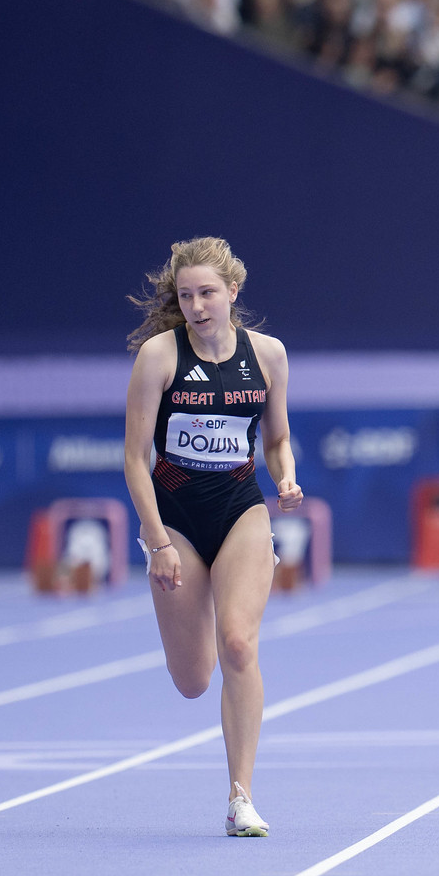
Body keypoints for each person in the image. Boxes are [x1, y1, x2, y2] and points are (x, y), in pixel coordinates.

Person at [121, 237, 301, 837]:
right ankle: (182, 617)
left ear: (233, 292)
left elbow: (275, 438)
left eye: (208, 294)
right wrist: (157, 542)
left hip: (240, 507)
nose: (197, 306)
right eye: (186, 295)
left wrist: (287, 477)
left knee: (240, 647)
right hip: (175, 515)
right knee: (194, 678)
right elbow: (133, 459)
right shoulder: (158, 357)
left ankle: (240, 796)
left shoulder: (268, 355)